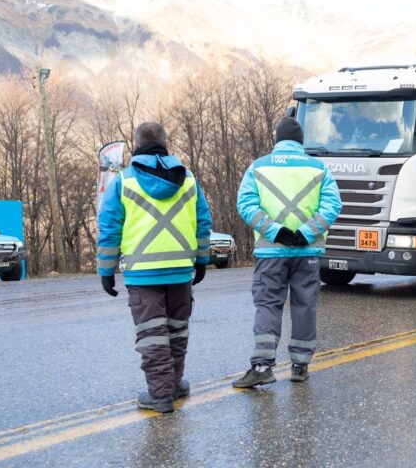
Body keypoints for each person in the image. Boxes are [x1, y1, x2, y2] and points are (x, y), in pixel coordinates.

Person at [97, 122, 212, 413]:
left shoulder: (123, 182)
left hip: (143, 274)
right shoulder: (187, 179)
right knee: (176, 331)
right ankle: (173, 384)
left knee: (152, 334)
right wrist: (201, 259)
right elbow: (202, 224)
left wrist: (106, 271)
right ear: (165, 143)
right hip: (180, 271)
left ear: (136, 145)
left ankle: (161, 394)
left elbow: (109, 229)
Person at [233, 116, 342, 388]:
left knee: (269, 304)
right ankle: (300, 365)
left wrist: (274, 231)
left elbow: (246, 204)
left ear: (277, 140)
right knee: (305, 305)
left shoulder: (258, 168)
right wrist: (305, 232)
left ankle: (262, 366)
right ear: (300, 141)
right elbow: (332, 205)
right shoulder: (319, 169)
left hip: (271, 253)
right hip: (307, 251)